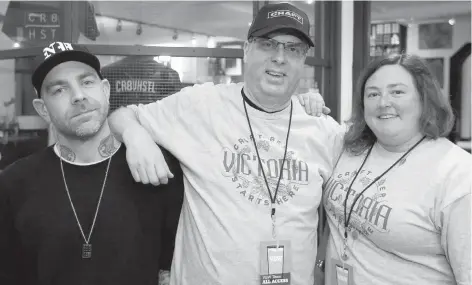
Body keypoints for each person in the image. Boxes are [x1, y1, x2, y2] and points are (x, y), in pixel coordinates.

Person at [108, 3, 343, 285]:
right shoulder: (201, 105)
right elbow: (123, 115)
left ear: (303, 59)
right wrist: (136, 136)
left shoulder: (323, 129)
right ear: (246, 49)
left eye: (293, 49)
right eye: (268, 44)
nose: (279, 57)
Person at [0, 41, 184, 285]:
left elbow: (171, 268)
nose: (78, 96)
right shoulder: (14, 183)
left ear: (105, 90)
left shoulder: (155, 169)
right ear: (43, 109)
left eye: (87, 82)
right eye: (59, 90)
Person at [322, 53, 471, 285]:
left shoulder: (457, 174)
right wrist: (303, 104)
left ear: (424, 98)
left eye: (397, 92)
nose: (383, 102)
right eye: (373, 93)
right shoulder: (349, 146)